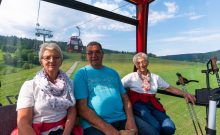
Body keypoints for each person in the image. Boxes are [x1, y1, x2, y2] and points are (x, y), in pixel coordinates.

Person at [121, 52, 196, 135]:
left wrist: (185, 94)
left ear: (148, 62)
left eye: (143, 62)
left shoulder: (155, 77)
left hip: (153, 104)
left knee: (170, 127)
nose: (141, 65)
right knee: (156, 126)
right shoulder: (131, 77)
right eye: (138, 63)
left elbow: (169, 88)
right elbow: (118, 87)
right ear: (136, 65)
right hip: (138, 105)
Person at [74, 41, 138, 135]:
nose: (94, 55)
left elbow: (125, 98)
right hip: (95, 124)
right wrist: (108, 129)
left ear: (102, 54)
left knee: (150, 131)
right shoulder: (82, 74)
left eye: (97, 52)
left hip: (122, 119)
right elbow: (82, 108)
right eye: (90, 53)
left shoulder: (113, 73)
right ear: (87, 55)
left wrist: (131, 120)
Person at [15, 43, 79, 135]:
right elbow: (23, 123)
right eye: (47, 57)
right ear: (41, 61)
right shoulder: (30, 86)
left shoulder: (69, 84)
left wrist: (66, 133)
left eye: (56, 57)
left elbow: (72, 110)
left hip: (64, 130)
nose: (52, 60)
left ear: (61, 61)